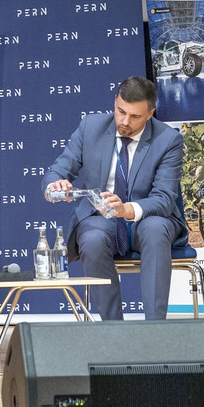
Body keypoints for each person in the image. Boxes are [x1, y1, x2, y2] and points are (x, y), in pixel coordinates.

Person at [43, 75, 186, 321]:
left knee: (154, 229)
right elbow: (58, 170)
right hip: (101, 219)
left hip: (147, 218)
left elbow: (164, 198)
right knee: (93, 237)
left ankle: (156, 329)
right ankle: (112, 330)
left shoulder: (168, 140)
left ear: (150, 114)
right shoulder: (90, 127)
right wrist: (55, 184)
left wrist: (126, 209)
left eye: (135, 116)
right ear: (115, 101)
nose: (125, 121)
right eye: (120, 111)